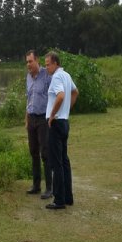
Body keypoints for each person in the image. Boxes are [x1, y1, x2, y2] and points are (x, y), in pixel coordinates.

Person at [44, 51, 78, 209]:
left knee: (56, 162)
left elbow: (61, 96)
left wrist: (52, 115)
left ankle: (59, 200)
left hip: (56, 123)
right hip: (64, 121)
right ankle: (67, 196)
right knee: (64, 161)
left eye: (48, 64)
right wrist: (67, 109)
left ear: (55, 63)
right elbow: (75, 92)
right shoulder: (67, 75)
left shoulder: (57, 77)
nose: (46, 68)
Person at [24, 50, 53, 199]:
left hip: (43, 119)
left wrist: (52, 116)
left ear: (37, 60)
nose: (28, 64)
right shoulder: (28, 77)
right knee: (33, 152)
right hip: (32, 119)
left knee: (45, 153)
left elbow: (53, 95)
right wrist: (26, 118)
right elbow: (28, 99)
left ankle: (49, 188)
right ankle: (36, 185)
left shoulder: (46, 75)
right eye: (27, 62)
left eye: (30, 61)